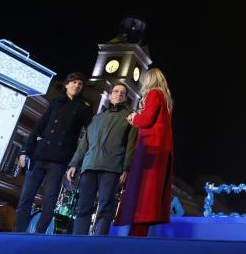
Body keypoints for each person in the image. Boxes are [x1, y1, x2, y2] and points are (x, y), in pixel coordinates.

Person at [14, 72, 93, 233]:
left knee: (50, 198)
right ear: (66, 85)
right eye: (74, 82)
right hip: (39, 155)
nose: (77, 85)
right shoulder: (56, 102)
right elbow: (39, 127)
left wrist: (76, 162)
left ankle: (39, 232)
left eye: (80, 84)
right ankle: (19, 232)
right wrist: (24, 151)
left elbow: (89, 134)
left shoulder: (84, 107)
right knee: (26, 197)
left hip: (60, 159)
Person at [67, 83, 137, 235]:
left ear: (125, 97)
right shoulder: (96, 118)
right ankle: (77, 244)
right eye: (116, 91)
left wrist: (126, 168)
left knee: (105, 208)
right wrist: (74, 164)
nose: (119, 94)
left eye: (123, 93)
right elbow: (84, 143)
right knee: (83, 208)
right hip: (89, 167)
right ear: (110, 94)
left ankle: (99, 245)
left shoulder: (130, 117)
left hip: (111, 168)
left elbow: (131, 146)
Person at [114, 67, 174, 237]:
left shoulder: (154, 94)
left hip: (150, 149)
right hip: (160, 151)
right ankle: (139, 233)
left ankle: (136, 236)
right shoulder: (165, 99)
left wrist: (134, 118)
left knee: (142, 193)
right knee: (148, 194)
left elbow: (146, 120)